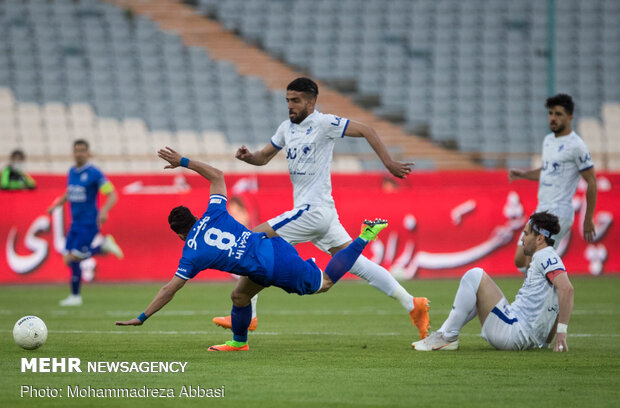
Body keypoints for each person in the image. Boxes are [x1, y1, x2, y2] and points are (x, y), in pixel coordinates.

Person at [212, 77, 430, 339]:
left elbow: (367, 130)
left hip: (313, 210)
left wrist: (389, 163)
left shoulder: (324, 123)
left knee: (252, 240)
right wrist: (250, 157)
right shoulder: (286, 128)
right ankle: (412, 304)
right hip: (322, 214)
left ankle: (250, 317)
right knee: (356, 263)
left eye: (296, 101)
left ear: (311, 102)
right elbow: (264, 157)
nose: (290, 106)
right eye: (288, 101)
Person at [115, 147, 388, 352]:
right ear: (195, 217)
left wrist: (142, 317)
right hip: (270, 247)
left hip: (272, 265)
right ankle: (239, 343)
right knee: (239, 297)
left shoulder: (192, 252)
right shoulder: (213, 211)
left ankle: (364, 236)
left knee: (325, 283)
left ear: (178, 234)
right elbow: (217, 176)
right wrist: (183, 162)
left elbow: (169, 289)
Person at [413, 211, 574, 352]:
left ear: (539, 238)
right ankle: (443, 334)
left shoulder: (545, 255)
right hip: (520, 333)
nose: (522, 239)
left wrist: (561, 333)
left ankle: (447, 337)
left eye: (526, 234)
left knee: (474, 275)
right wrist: (545, 342)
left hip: (514, 332)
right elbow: (557, 304)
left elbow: (567, 289)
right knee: (475, 291)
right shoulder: (548, 258)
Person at [509, 94, 597, 274]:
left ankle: (545, 299)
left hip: (558, 212)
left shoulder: (577, 146)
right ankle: (550, 293)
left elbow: (592, 181)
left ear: (570, 117)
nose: (553, 118)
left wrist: (588, 218)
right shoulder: (548, 140)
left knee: (533, 260)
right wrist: (524, 174)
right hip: (541, 209)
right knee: (521, 259)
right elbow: (546, 171)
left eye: (558, 114)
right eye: (550, 113)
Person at [47, 139, 123, 306]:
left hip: (89, 223)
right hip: (75, 223)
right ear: (72, 153)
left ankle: (102, 247)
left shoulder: (94, 173)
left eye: (82, 150)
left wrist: (103, 211)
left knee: (75, 256)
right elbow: (70, 192)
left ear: (88, 153)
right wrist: (56, 205)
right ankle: (75, 296)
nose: (79, 153)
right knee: (68, 259)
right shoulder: (71, 172)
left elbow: (112, 194)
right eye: (76, 150)